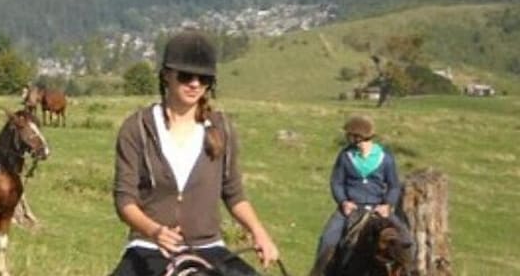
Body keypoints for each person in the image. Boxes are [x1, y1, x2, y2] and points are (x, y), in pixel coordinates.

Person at [109, 30, 278, 276]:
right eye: (186, 76)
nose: (195, 84)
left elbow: (234, 194)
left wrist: (259, 233)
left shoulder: (222, 128)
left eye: (204, 78)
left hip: (209, 248)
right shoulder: (137, 128)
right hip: (149, 246)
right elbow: (125, 201)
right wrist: (154, 231)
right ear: (167, 76)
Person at [312, 114, 409, 272]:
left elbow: (394, 186)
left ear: (357, 137)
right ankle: (319, 272)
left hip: (377, 208)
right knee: (327, 239)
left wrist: (387, 205)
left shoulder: (385, 157)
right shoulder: (345, 156)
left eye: (349, 135)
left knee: (407, 240)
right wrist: (343, 201)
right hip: (351, 208)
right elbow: (336, 182)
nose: (347, 138)